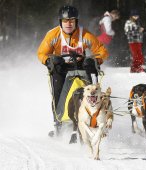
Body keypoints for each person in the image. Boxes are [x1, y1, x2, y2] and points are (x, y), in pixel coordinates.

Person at [37, 5, 108, 133]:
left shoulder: (85, 34)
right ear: (60, 22)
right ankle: (58, 121)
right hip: (61, 67)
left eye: (71, 21)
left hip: (81, 65)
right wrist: (49, 61)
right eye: (65, 21)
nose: (68, 24)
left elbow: (101, 50)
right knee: (57, 87)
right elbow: (41, 53)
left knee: (90, 71)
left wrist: (95, 60)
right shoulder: (53, 35)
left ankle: (95, 114)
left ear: (76, 22)